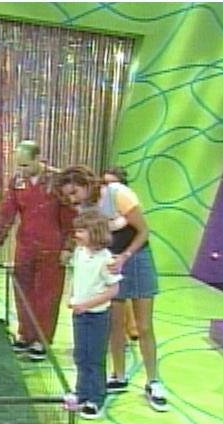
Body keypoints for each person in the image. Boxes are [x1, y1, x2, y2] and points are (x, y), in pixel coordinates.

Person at [59, 165, 168, 411]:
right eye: (68, 196)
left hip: (135, 257)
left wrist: (125, 257)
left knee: (143, 325)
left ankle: (154, 381)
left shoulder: (118, 193)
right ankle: (118, 375)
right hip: (107, 263)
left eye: (74, 192)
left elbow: (143, 231)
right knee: (115, 326)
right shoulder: (84, 208)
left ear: (86, 184)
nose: (73, 199)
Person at [0, 140, 76, 361]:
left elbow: (71, 217)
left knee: (47, 295)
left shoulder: (57, 181)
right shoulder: (17, 182)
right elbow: (7, 212)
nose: (22, 170)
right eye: (19, 165)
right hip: (25, 246)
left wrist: (68, 246)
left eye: (25, 165)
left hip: (52, 248)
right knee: (22, 291)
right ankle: (25, 335)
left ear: (38, 159)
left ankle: (41, 340)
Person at [68, 209, 122, 419]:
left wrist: (87, 304)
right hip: (80, 314)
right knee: (81, 355)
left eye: (82, 231)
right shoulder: (79, 252)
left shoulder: (106, 260)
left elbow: (113, 290)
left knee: (94, 357)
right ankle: (81, 392)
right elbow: (76, 276)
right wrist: (72, 297)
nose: (77, 234)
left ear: (96, 233)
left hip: (97, 316)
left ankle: (96, 398)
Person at [103, 167, 139, 342]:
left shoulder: (129, 204)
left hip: (127, 252)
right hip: (109, 250)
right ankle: (119, 330)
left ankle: (130, 327)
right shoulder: (101, 204)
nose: (109, 188)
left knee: (124, 292)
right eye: (105, 183)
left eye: (113, 183)